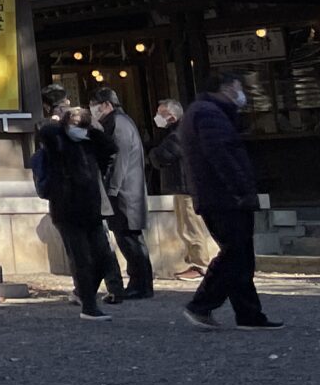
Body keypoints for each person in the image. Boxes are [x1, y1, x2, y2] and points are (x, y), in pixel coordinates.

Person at [180, 72, 283, 331]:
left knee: (241, 255)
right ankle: (201, 303)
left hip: (218, 195)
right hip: (223, 196)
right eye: (238, 87)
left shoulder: (205, 112)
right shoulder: (209, 114)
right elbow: (222, 156)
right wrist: (241, 189)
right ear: (225, 88)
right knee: (235, 253)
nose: (241, 94)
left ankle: (248, 314)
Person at [36, 84, 121, 320]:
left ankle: (86, 295)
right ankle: (89, 306)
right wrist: (64, 121)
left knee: (104, 257)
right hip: (67, 209)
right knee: (82, 258)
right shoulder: (58, 144)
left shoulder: (88, 143)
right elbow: (45, 132)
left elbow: (110, 148)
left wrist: (92, 129)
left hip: (91, 208)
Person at [88, 85, 154, 300]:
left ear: (107, 104)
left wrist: (112, 190)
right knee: (129, 239)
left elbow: (119, 159)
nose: (93, 110)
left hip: (125, 192)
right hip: (126, 190)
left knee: (130, 239)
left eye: (96, 106)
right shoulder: (120, 121)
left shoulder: (118, 123)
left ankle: (140, 285)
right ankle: (139, 283)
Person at [149, 98, 215, 278]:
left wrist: (153, 153)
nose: (157, 117)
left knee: (190, 227)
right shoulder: (180, 132)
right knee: (184, 227)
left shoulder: (180, 133)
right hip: (182, 186)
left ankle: (200, 264)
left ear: (171, 115)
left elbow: (160, 156)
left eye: (161, 113)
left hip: (187, 187)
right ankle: (193, 260)